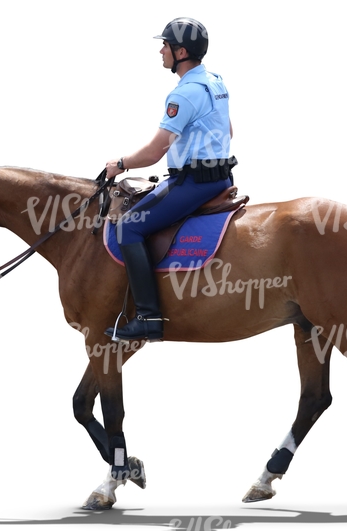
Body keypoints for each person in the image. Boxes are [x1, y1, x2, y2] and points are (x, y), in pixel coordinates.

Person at [104, 17, 235, 343]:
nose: (161, 50)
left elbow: (153, 153)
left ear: (180, 52)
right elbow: (229, 131)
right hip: (221, 177)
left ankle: (149, 318)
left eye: (165, 45)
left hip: (194, 183)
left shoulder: (184, 94)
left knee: (129, 227)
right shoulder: (215, 81)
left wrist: (119, 164)